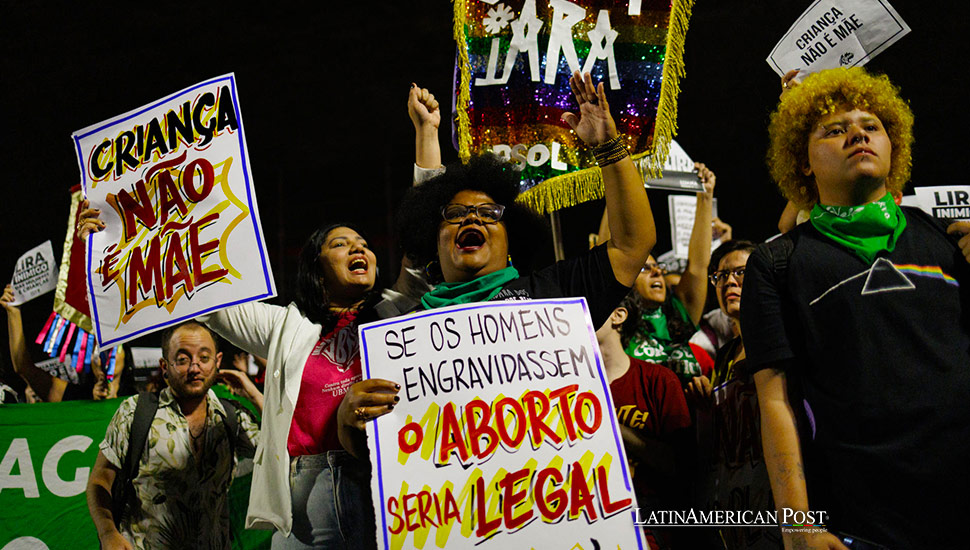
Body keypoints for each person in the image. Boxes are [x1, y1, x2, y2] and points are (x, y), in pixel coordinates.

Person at [743, 66, 970, 549]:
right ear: (802, 162)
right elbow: (775, 401)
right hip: (864, 526)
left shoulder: (946, 240)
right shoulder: (777, 263)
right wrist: (797, 523)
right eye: (834, 129)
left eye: (871, 126)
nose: (858, 135)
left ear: (895, 149)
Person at [395, 71, 655, 327]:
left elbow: (631, 247)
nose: (472, 217)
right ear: (434, 241)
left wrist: (608, 146)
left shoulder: (557, 291)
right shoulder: (406, 329)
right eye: (455, 214)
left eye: (489, 213)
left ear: (511, 239)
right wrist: (427, 133)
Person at [85, 321, 261, 550]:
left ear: (217, 362)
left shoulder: (231, 416)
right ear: (165, 366)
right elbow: (100, 481)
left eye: (204, 358)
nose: (194, 368)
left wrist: (255, 394)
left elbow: (285, 448)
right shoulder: (134, 412)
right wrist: (108, 532)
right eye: (182, 359)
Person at [690, 240, 783, 550]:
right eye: (721, 275)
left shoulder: (784, 341)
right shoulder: (724, 357)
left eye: (742, 272)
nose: (729, 281)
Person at [600, 292, 691, 550]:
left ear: (619, 315)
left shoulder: (658, 380)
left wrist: (615, 429)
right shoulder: (571, 390)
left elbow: (680, 464)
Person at [617, 163, 718, 385]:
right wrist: (621, 175)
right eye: (644, 269)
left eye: (658, 268)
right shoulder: (618, 324)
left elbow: (698, 265)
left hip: (687, 419)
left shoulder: (679, 312)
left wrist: (705, 195)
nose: (656, 273)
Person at [1, 283, 128, 401]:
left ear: (125, 356)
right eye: (96, 352)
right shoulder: (78, 397)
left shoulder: (140, 399)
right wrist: (13, 312)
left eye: (111, 351)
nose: (102, 361)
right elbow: (24, 367)